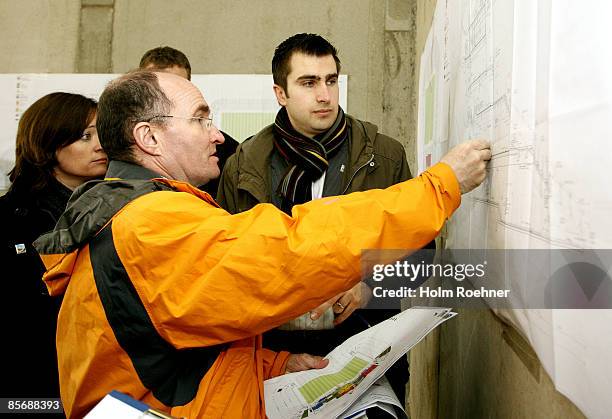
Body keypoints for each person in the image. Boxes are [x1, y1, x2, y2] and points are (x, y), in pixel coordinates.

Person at [34, 70, 489, 418]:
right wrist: (439, 186)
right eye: (199, 119)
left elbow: (168, 349)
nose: (216, 134)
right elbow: (293, 249)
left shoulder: (130, 211)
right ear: (148, 137)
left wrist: (272, 367)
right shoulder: (152, 225)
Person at [216, 33, 422, 401]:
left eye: (330, 81)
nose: (324, 95)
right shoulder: (245, 165)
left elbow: (421, 252)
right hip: (277, 355)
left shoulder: (384, 156)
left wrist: (368, 288)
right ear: (281, 93)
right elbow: (225, 266)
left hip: (365, 350)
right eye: (308, 83)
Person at [0, 92, 107, 403]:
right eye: (85, 136)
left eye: (102, 133)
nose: (100, 145)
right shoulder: (11, 219)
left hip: (101, 381)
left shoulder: (120, 210)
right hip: (32, 387)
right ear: (48, 143)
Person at [139, 45, 239, 195]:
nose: (166, 97)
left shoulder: (226, 151)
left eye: (178, 85)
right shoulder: (115, 150)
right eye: (157, 88)